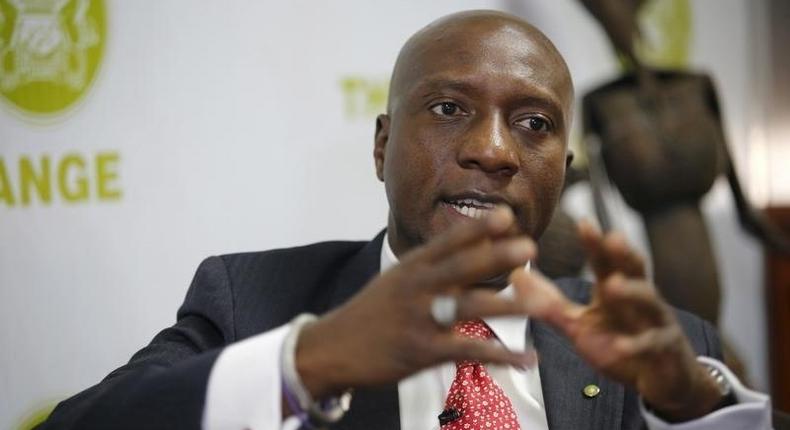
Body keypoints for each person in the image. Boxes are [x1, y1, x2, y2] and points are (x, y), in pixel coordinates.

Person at [39, 10, 770, 430]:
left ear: (565, 168)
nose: (492, 150)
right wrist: (308, 361)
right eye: (450, 110)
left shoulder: (659, 351)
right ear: (382, 144)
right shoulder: (251, 301)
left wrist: (691, 406)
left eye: (534, 123)